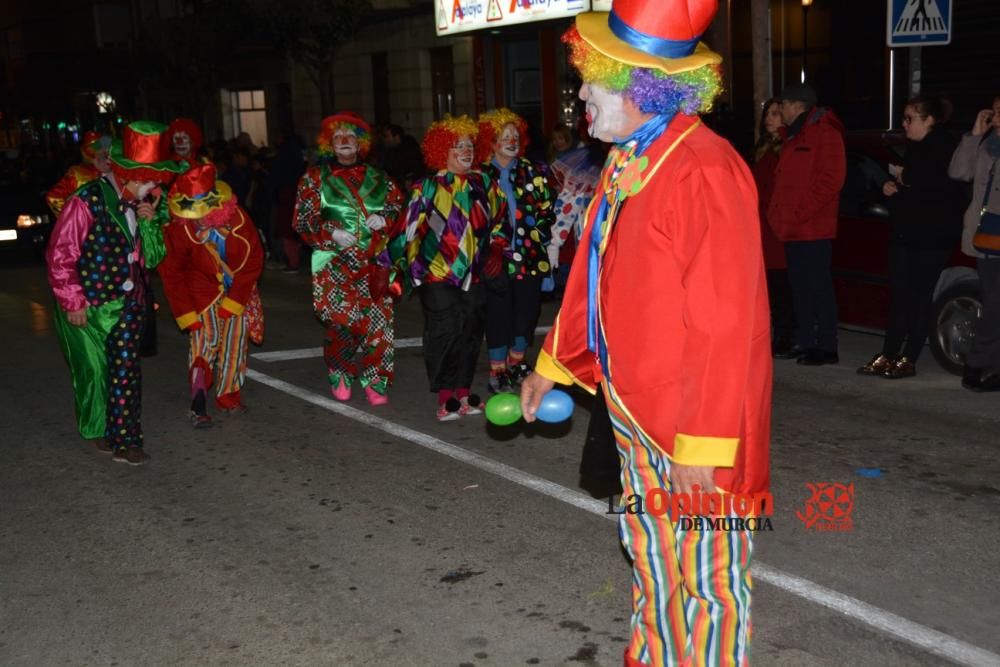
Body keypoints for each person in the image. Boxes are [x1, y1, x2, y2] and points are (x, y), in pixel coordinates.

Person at [519, 2, 771, 664]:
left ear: (637, 84)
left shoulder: (705, 170)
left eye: (591, 80)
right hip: (635, 407)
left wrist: (704, 443)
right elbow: (593, 278)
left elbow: (726, 324)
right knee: (651, 551)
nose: (580, 94)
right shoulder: (631, 159)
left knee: (710, 574)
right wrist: (552, 363)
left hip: (691, 424)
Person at [46, 121, 185, 465]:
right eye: (150, 179)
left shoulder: (146, 204)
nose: (155, 186)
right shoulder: (86, 200)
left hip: (129, 304)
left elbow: (153, 258)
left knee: (126, 369)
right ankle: (102, 429)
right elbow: (61, 254)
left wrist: (151, 222)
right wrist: (72, 301)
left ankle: (127, 439)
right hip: (90, 304)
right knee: (94, 373)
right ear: (131, 174)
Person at [294, 112, 405, 405]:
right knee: (344, 323)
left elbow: (399, 209)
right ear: (329, 145)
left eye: (350, 137)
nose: (345, 142)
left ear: (360, 144)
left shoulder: (380, 178)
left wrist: (386, 219)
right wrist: (331, 232)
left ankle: (375, 378)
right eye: (338, 138)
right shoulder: (315, 178)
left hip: (374, 264)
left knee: (378, 324)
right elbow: (303, 220)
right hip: (335, 264)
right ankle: (340, 370)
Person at [402, 115, 508, 421]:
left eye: (469, 145)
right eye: (457, 145)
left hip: (473, 273)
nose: (466, 150)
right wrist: (394, 269)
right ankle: (446, 394)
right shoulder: (427, 187)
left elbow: (501, 220)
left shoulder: (484, 183)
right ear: (441, 150)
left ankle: (463, 391)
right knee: (445, 329)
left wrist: (498, 248)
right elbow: (406, 229)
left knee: (472, 329)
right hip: (435, 272)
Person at [857, 95, 963, 379]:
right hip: (906, 233)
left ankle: (909, 357)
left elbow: (941, 193)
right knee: (900, 296)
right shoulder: (915, 150)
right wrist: (892, 188)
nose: (904, 124)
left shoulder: (943, 148)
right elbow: (911, 195)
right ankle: (888, 352)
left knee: (919, 297)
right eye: (904, 118)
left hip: (931, 237)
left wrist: (904, 184)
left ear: (929, 120)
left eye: (910, 118)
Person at [158, 163, 265, 426]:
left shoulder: (238, 218)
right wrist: (185, 313)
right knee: (202, 348)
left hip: (237, 291)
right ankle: (198, 402)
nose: (199, 217)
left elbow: (253, 260)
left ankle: (229, 396)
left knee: (235, 345)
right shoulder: (179, 229)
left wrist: (235, 300)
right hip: (200, 295)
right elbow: (172, 272)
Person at [476, 108, 556, 393]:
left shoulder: (533, 171)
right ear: (492, 142)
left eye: (514, 136)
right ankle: (498, 368)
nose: (511, 141)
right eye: (503, 136)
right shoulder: (480, 175)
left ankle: (517, 360)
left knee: (527, 311)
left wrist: (542, 236)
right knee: (499, 312)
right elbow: (474, 216)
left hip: (530, 256)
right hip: (496, 258)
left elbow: (547, 207)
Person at [767, 82, 846, 365]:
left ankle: (826, 346)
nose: (780, 111)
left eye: (783, 106)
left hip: (813, 228)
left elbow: (831, 180)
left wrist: (798, 213)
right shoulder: (794, 135)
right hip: (792, 227)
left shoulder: (824, 133)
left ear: (797, 105)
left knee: (818, 287)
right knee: (799, 287)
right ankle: (807, 341)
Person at [949, 92, 1000, 392]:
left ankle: (986, 365)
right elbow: (958, 172)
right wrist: (974, 135)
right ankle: (978, 362)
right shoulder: (983, 145)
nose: (996, 115)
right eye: (994, 109)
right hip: (988, 236)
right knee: (994, 304)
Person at [752, 98, 796, 357]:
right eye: (768, 114)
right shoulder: (763, 147)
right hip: (762, 224)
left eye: (776, 114)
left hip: (775, 226)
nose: (770, 118)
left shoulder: (783, 147)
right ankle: (776, 334)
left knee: (781, 286)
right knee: (770, 285)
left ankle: (785, 336)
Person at [45, 132, 112, 216]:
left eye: (103, 148)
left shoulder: (116, 170)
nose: (100, 152)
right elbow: (54, 197)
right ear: (86, 151)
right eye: (93, 148)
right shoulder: (77, 174)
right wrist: (74, 218)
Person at [379, 123, 425, 190]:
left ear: (396, 137)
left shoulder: (410, 147)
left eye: (387, 136)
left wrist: (409, 179)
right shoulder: (391, 149)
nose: (385, 140)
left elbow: (417, 168)